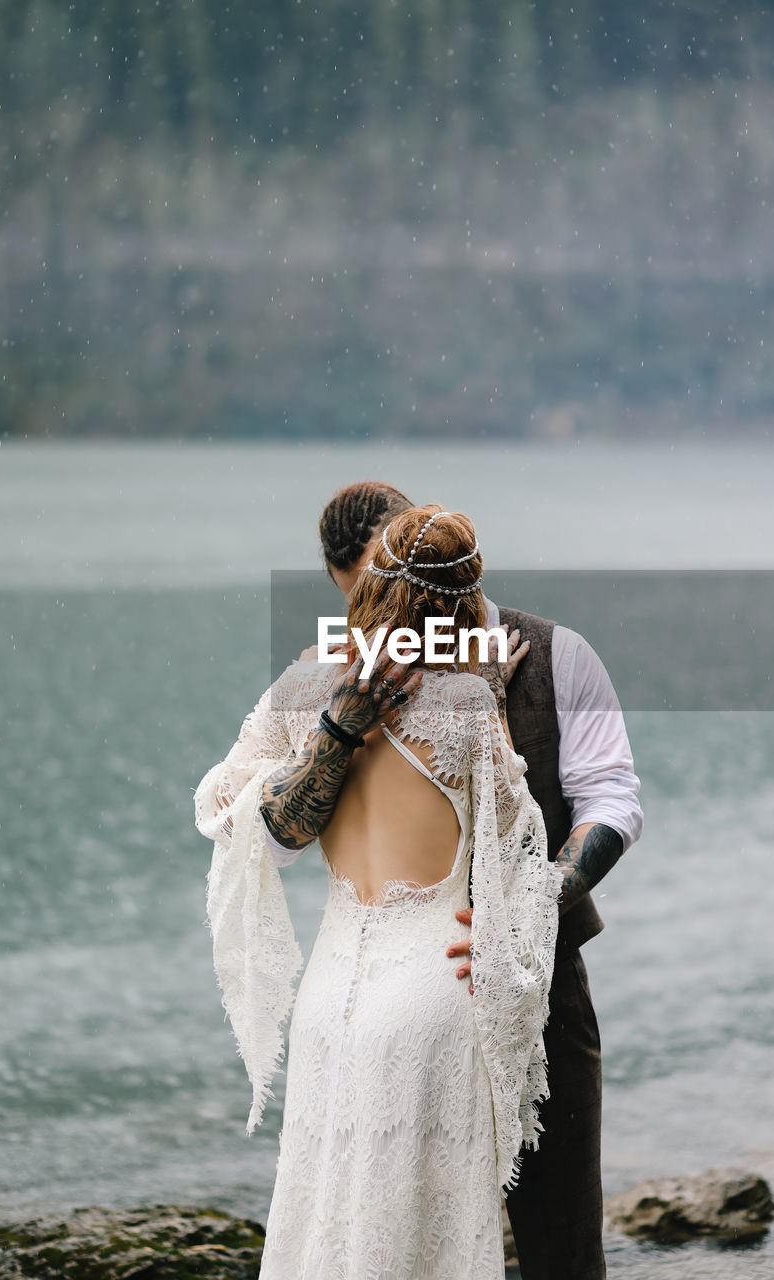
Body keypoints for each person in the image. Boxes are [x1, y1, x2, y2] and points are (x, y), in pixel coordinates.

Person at [194, 506, 563, 1280]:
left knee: (329, 1211)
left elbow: (223, 807)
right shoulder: (465, 705)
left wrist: (326, 730)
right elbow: (520, 856)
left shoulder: (302, 686)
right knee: (423, 1231)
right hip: (433, 992)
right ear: (467, 598)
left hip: (330, 999)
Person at [317, 481, 643, 1280]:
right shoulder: (343, 673)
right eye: (367, 598)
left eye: (397, 590)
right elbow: (292, 833)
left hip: (541, 989)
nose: (389, 620)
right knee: (400, 1236)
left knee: (560, 1239)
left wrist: (534, 905)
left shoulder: (560, 653)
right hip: (397, 1010)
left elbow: (611, 797)